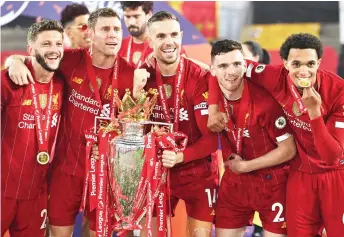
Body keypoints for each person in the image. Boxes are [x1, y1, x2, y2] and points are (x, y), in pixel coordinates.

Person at [5, 8, 136, 237]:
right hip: (64, 173)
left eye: (117, 29)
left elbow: (134, 126)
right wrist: (14, 61)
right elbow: (38, 57)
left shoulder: (131, 74)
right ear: (90, 33)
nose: (113, 35)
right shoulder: (70, 59)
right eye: (105, 29)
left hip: (104, 174)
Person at [207, 33, 344, 237]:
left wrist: (315, 113)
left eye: (310, 64)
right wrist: (213, 108)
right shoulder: (272, 76)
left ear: (319, 63)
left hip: (335, 176)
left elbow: (332, 156)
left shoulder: (338, 90)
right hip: (300, 175)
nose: (303, 71)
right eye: (296, 64)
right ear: (286, 64)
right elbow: (224, 66)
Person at [133, 11, 218, 237]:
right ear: (148, 41)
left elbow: (211, 140)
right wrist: (134, 94)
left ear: (181, 36)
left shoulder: (200, 76)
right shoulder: (142, 77)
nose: (168, 42)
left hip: (197, 170)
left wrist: (180, 156)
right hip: (157, 171)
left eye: (173, 35)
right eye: (160, 36)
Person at [210, 39, 296, 237]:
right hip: (234, 185)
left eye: (237, 64)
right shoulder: (211, 98)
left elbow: (289, 149)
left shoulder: (265, 102)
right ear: (213, 71)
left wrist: (246, 166)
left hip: (272, 184)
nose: (231, 71)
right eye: (223, 66)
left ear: (245, 65)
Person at [1, 20, 64, 237]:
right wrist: (14, 62)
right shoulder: (7, 81)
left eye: (58, 43)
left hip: (36, 195)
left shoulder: (63, 84)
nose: (54, 50)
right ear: (30, 50)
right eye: (46, 44)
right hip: (3, 191)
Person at [119, 1, 153, 68]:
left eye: (136, 16)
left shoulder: (159, 47)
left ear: (149, 15)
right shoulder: (117, 47)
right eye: (127, 17)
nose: (131, 22)